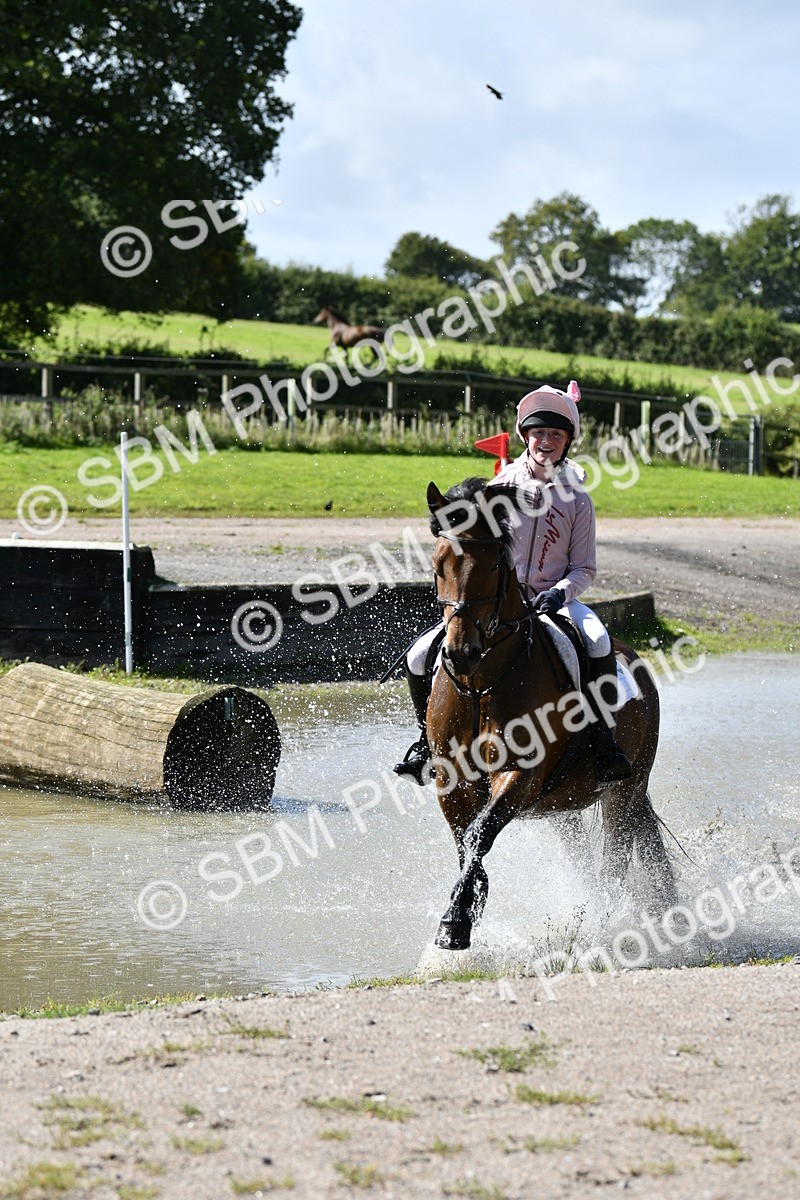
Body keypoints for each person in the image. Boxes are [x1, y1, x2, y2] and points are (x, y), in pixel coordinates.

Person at [393, 379, 632, 787]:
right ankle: (423, 742)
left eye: (556, 434)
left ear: (567, 441)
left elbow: (584, 568)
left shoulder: (578, 500)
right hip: (497, 602)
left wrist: (560, 593)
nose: (546, 441)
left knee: (598, 642)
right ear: (526, 436)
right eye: (539, 432)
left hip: (555, 601)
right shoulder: (499, 489)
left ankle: (601, 740)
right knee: (418, 656)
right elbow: (470, 549)